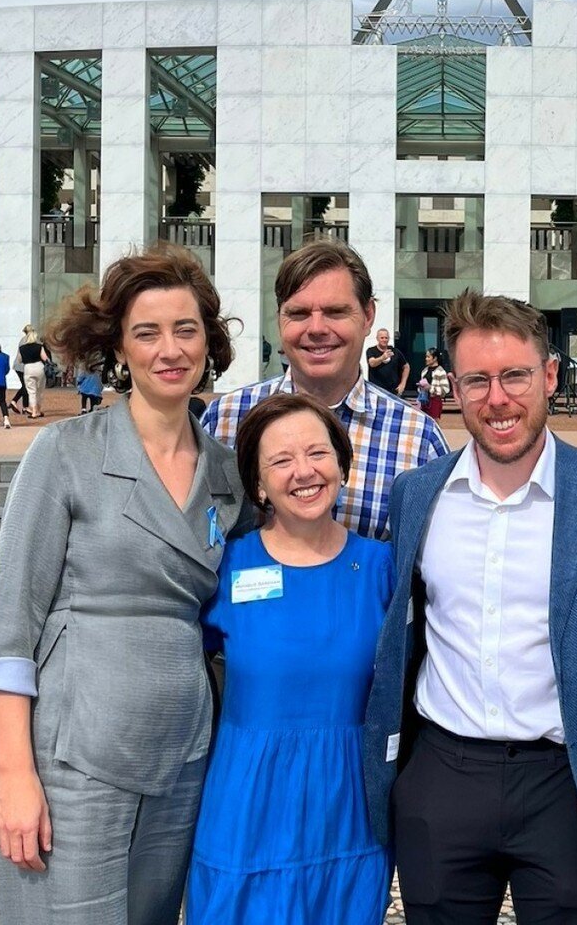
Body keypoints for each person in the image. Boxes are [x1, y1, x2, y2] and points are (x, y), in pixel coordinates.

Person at [0, 241, 253, 925]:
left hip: (184, 755)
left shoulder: (225, 470)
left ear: (208, 342)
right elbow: (11, 626)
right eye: (147, 333)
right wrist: (15, 777)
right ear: (118, 349)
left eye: (186, 329)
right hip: (78, 754)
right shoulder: (66, 453)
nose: (170, 348)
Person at [364, 290, 577, 925]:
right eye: (477, 380)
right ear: (456, 385)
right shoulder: (417, 495)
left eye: (515, 376)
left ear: (549, 376)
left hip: (568, 781)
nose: (497, 398)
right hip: (442, 774)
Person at [186, 393, 394, 925]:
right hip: (246, 801)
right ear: (258, 485)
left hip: (346, 806)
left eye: (317, 454)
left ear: (342, 465)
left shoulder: (382, 569)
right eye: (281, 461)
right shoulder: (224, 569)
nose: (304, 472)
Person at [201, 240, 447, 540]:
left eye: (335, 312)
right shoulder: (224, 422)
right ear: (280, 318)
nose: (316, 328)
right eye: (299, 313)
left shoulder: (418, 439)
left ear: (368, 316)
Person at [15, 325, 51, 419]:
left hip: (28, 368)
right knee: (40, 390)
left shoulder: (22, 348)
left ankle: (34, 411)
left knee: (31, 391)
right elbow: (45, 358)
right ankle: (38, 410)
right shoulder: (39, 347)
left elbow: (19, 360)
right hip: (39, 367)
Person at [366, 328, 409, 396]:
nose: (384, 340)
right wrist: (382, 358)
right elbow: (372, 363)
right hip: (376, 391)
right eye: (382, 338)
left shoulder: (395, 351)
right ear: (377, 338)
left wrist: (402, 384)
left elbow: (406, 367)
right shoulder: (371, 351)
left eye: (386, 338)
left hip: (393, 391)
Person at [415, 347, 451, 421]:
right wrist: (420, 387)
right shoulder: (424, 371)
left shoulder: (441, 371)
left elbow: (446, 389)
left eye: (428, 357)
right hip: (424, 400)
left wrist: (431, 388)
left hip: (434, 401)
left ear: (435, 358)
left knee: (434, 423)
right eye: (426, 356)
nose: (426, 359)